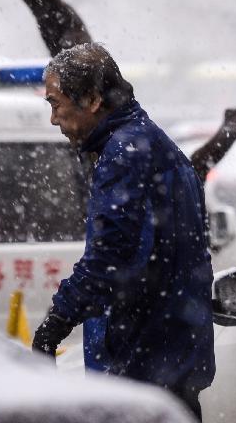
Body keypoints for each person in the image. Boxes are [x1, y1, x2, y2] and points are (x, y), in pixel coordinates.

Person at [32, 43, 215, 420]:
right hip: (172, 354)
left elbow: (109, 254)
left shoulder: (124, 152)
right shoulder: (155, 144)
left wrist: (55, 323)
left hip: (140, 359)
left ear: (93, 99)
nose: (53, 119)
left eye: (55, 103)